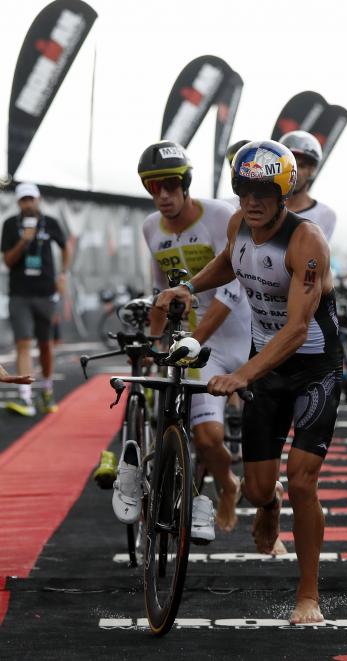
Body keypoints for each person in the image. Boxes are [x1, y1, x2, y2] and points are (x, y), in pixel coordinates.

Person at [154, 140, 342, 625]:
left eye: (263, 192)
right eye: (243, 190)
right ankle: (267, 504)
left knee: (302, 481)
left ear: (284, 192)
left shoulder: (307, 242)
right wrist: (188, 286)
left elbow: (298, 329)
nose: (252, 201)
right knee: (260, 490)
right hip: (267, 368)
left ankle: (308, 595)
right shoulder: (240, 224)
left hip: (313, 370)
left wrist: (240, 374)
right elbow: (227, 262)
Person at [110, 140, 252, 540]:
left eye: (170, 185)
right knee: (207, 438)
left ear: (185, 184)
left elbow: (233, 288)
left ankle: (256, 495)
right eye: (153, 188)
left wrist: (194, 340)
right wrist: (156, 345)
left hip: (236, 336)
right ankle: (226, 484)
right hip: (193, 342)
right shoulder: (150, 227)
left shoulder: (221, 214)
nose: (163, 196)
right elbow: (161, 291)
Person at [1, 183, 71, 416]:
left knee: (45, 345)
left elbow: (65, 246)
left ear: (38, 199)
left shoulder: (49, 222)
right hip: (19, 294)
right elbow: (8, 261)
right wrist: (24, 241)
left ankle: (47, 389)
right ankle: (25, 398)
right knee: (23, 343)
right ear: (18, 202)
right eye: (23, 200)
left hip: (45, 294)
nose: (28, 204)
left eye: (31, 199)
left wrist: (63, 275)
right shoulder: (11, 225)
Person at [279, 130, 337, 241]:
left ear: (312, 170)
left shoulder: (325, 215)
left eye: (301, 166)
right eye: (289, 164)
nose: (293, 171)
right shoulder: (254, 202)